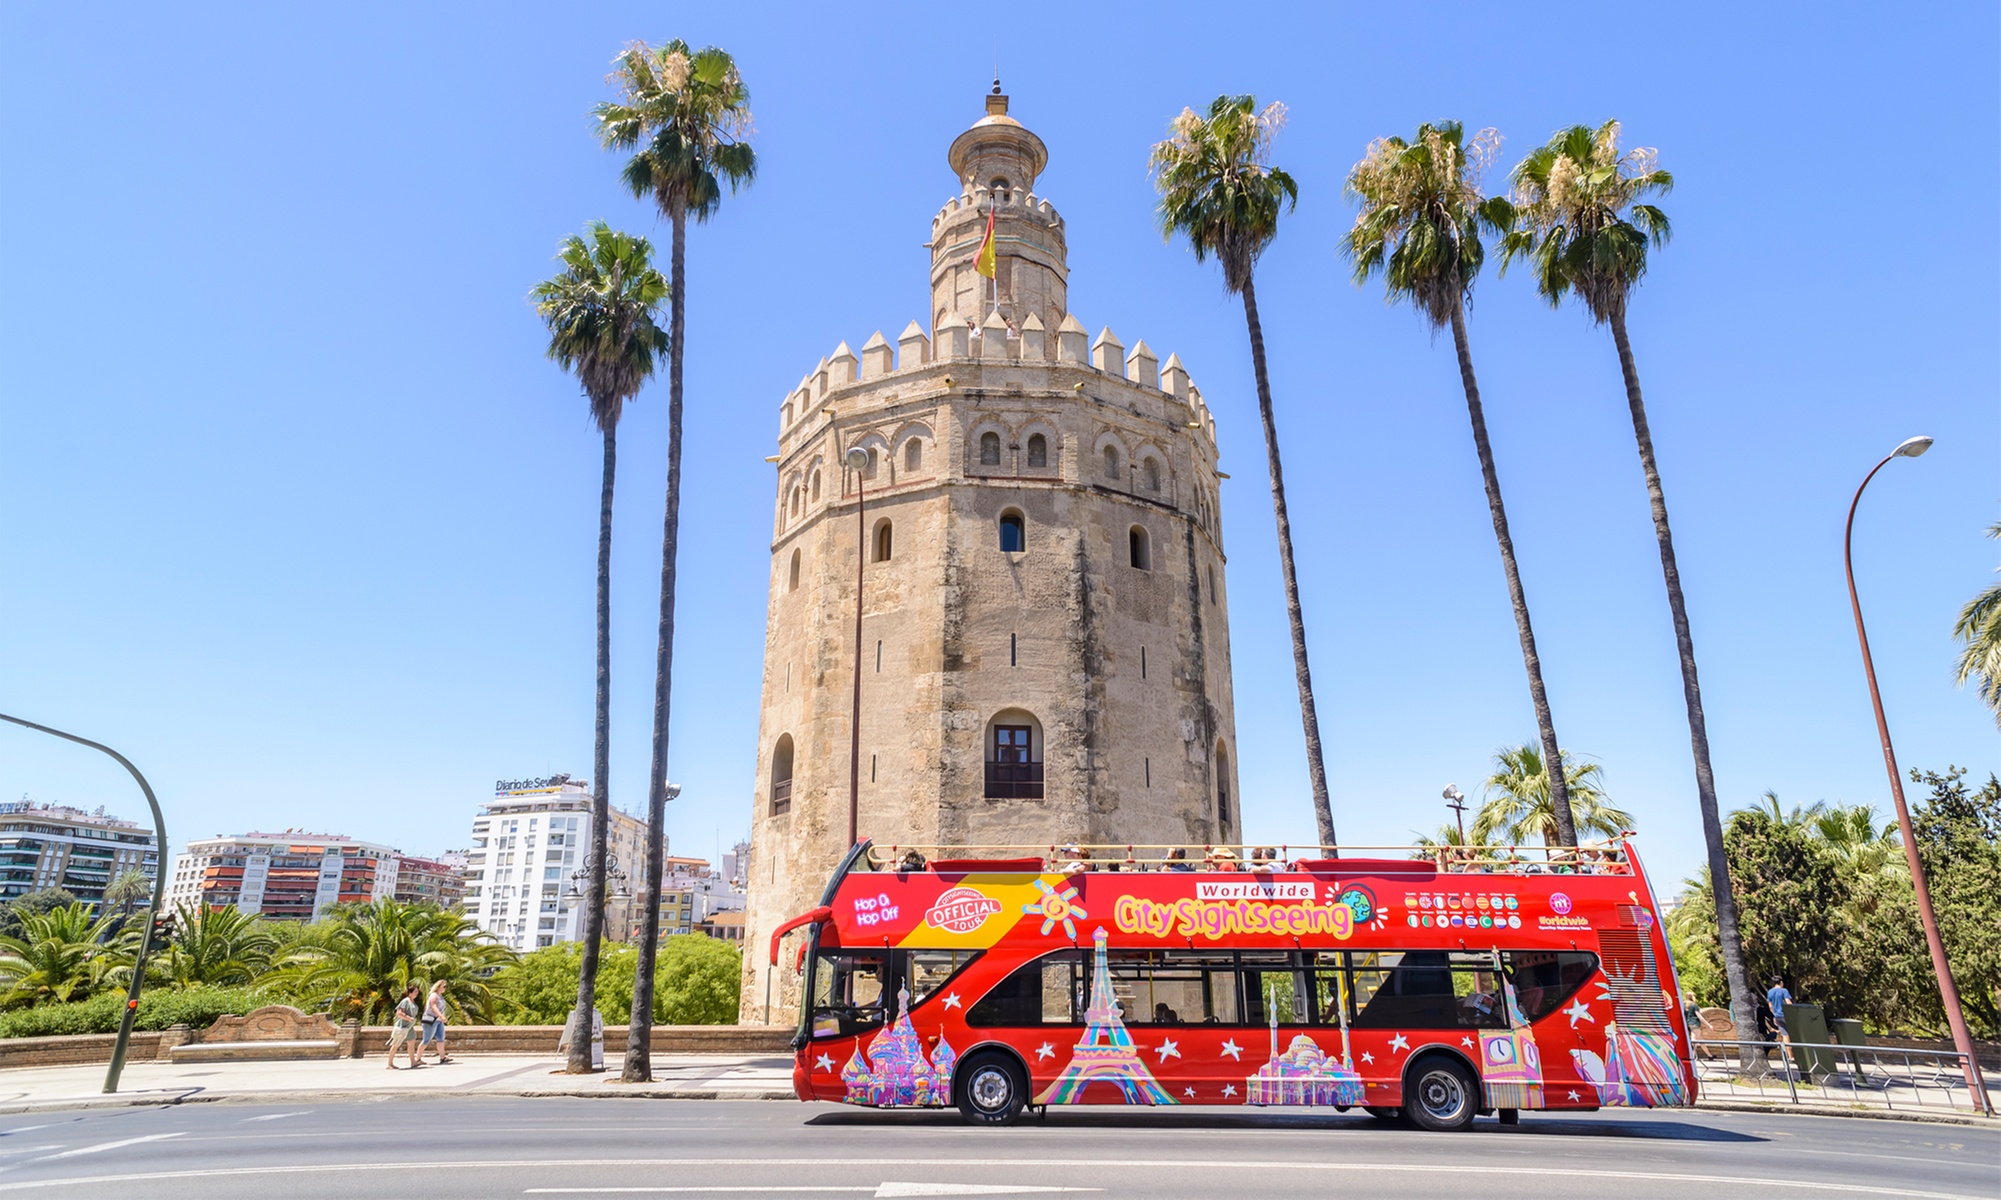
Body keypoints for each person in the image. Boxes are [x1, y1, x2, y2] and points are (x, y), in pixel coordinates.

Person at [387, 984, 423, 1070]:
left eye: (417, 992)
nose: (416, 993)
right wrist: (408, 1018)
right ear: (410, 992)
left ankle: (413, 1062)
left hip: (409, 1027)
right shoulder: (405, 1001)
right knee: (396, 1044)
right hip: (402, 1027)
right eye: (415, 991)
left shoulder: (413, 1002)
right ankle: (390, 1063)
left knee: (411, 1043)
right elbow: (399, 1013)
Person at [422, 979, 451, 1064]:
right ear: (438, 987)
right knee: (426, 1040)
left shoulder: (440, 996)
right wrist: (441, 1016)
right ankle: (418, 1058)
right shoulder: (434, 995)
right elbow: (433, 1006)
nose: (445, 988)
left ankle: (442, 1057)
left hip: (438, 1021)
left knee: (441, 1038)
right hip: (431, 1020)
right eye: (444, 987)